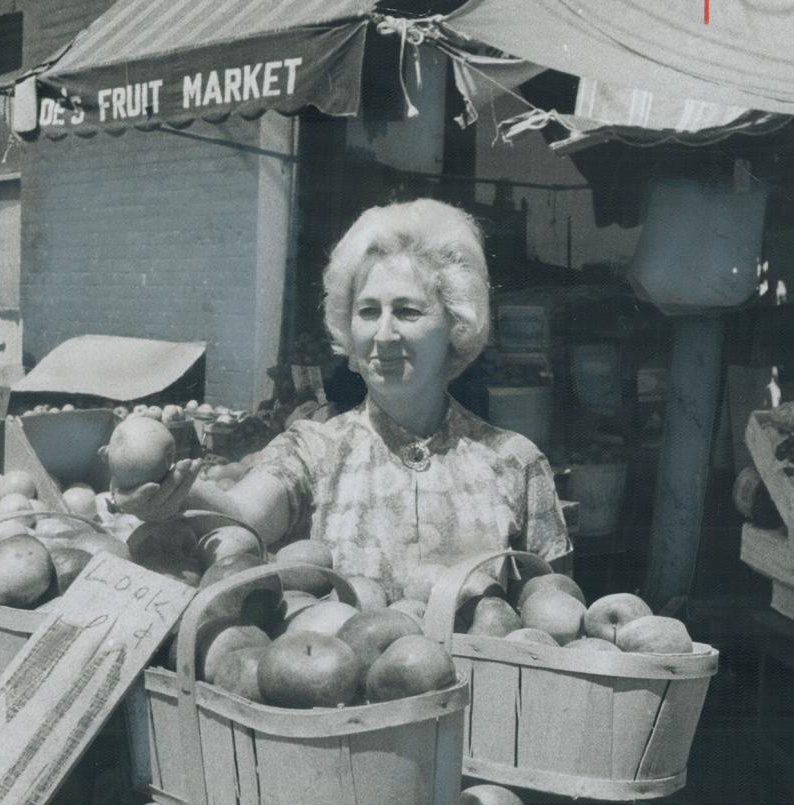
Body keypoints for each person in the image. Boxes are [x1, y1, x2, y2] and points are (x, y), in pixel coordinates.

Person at [115, 198, 571, 599]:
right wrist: (174, 490)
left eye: (408, 311)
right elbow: (244, 514)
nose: (384, 335)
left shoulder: (515, 464)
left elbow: (554, 610)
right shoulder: (314, 449)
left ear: (455, 324)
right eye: (368, 311)